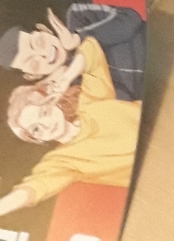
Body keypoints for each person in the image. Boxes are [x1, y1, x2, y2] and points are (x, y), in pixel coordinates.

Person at [0, 34, 140, 215]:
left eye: (44, 112)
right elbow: (34, 188)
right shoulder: (63, 161)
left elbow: (91, 49)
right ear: (36, 139)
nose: (46, 125)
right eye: (36, 129)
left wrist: (66, 78)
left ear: (53, 100)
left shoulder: (91, 99)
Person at [0, 2, 144, 102]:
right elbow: (126, 99)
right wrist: (74, 74)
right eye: (34, 63)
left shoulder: (77, 16)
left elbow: (131, 19)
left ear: (44, 29)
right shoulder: (71, 92)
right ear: (33, 75)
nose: (44, 55)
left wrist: (78, 39)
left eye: (39, 43)